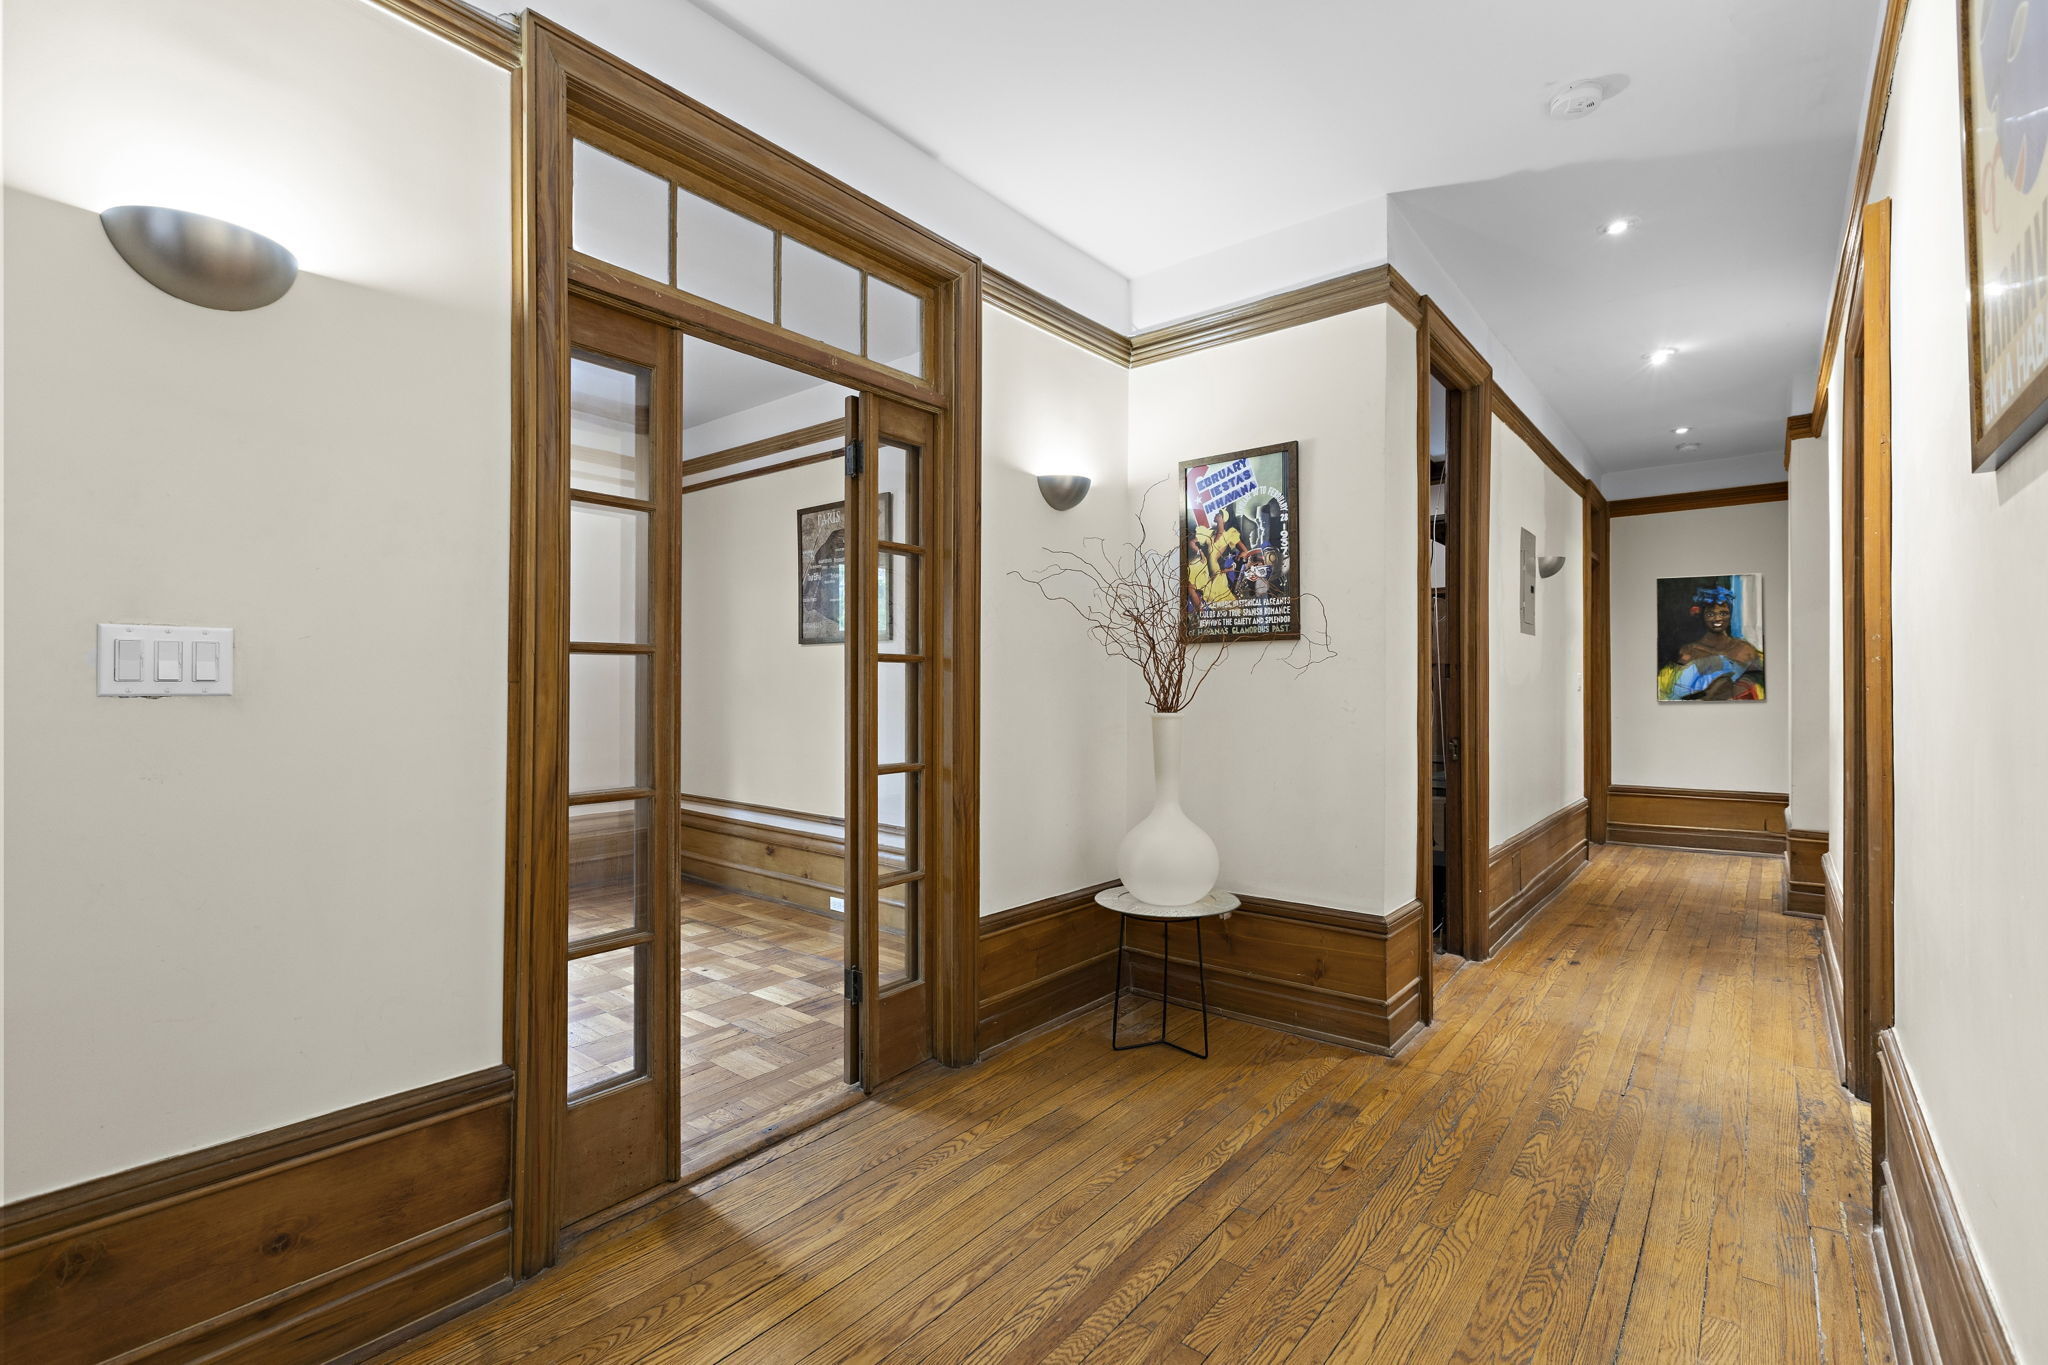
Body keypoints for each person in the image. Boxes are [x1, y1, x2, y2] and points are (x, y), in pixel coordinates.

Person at [1658, 584, 1764, 700]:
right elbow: (1668, 692)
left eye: (1723, 613)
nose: (1718, 618)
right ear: (1702, 616)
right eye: (1710, 614)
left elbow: (1762, 682)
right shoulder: (1688, 651)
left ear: (1730, 615)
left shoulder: (1745, 649)